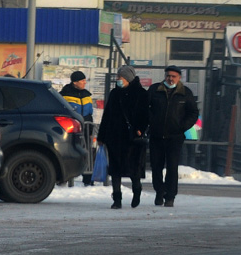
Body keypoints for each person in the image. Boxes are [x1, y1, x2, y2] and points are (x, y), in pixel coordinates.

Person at [97, 65, 150, 209]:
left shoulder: (141, 94)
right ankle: (117, 199)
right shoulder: (115, 93)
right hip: (114, 137)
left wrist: (139, 129)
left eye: (120, 77)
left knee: (134, 169)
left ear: (127, 78)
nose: (117, 80)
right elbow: (106, 115)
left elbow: (145, 115)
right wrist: (101, 136)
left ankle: (137, 191)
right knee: (115, 170)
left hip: (132, 139)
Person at [147, 65, 199, 208]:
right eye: (168, 75)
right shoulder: (155, 90)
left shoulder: (185, 93)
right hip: (156, 135)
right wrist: (151, 122)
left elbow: (193, 112)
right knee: (156, 166)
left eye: (173, 76)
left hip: (175, 137)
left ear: (179, 78)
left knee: (172, 167)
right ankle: (159, 191)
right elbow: (145, 108)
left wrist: (182, 126)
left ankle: (170, 196)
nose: (170, 78)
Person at [60, 70, 96, 184]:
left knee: (88, 153)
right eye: (82, 80)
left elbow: (89, 115)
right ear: (75, 82)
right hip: (71, 130)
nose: (85, 82)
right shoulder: (64, 94)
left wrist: (90, 132)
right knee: (69, 152)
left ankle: (88, 179)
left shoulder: (87, 95)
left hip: (85, 129)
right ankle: (65, 178)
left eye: (85, 80)